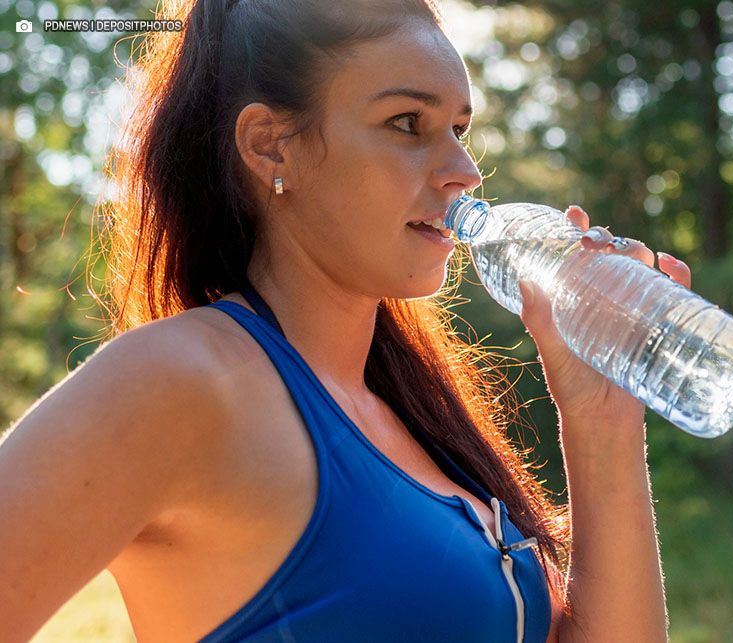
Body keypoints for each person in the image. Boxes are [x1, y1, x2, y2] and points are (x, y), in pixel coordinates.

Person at [0, 0, 691, 641]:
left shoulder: (414, 413)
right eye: (407, 124)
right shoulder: (184, 381)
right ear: (272, 147)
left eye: (458, 129)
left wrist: (603, 420)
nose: (464, 171)